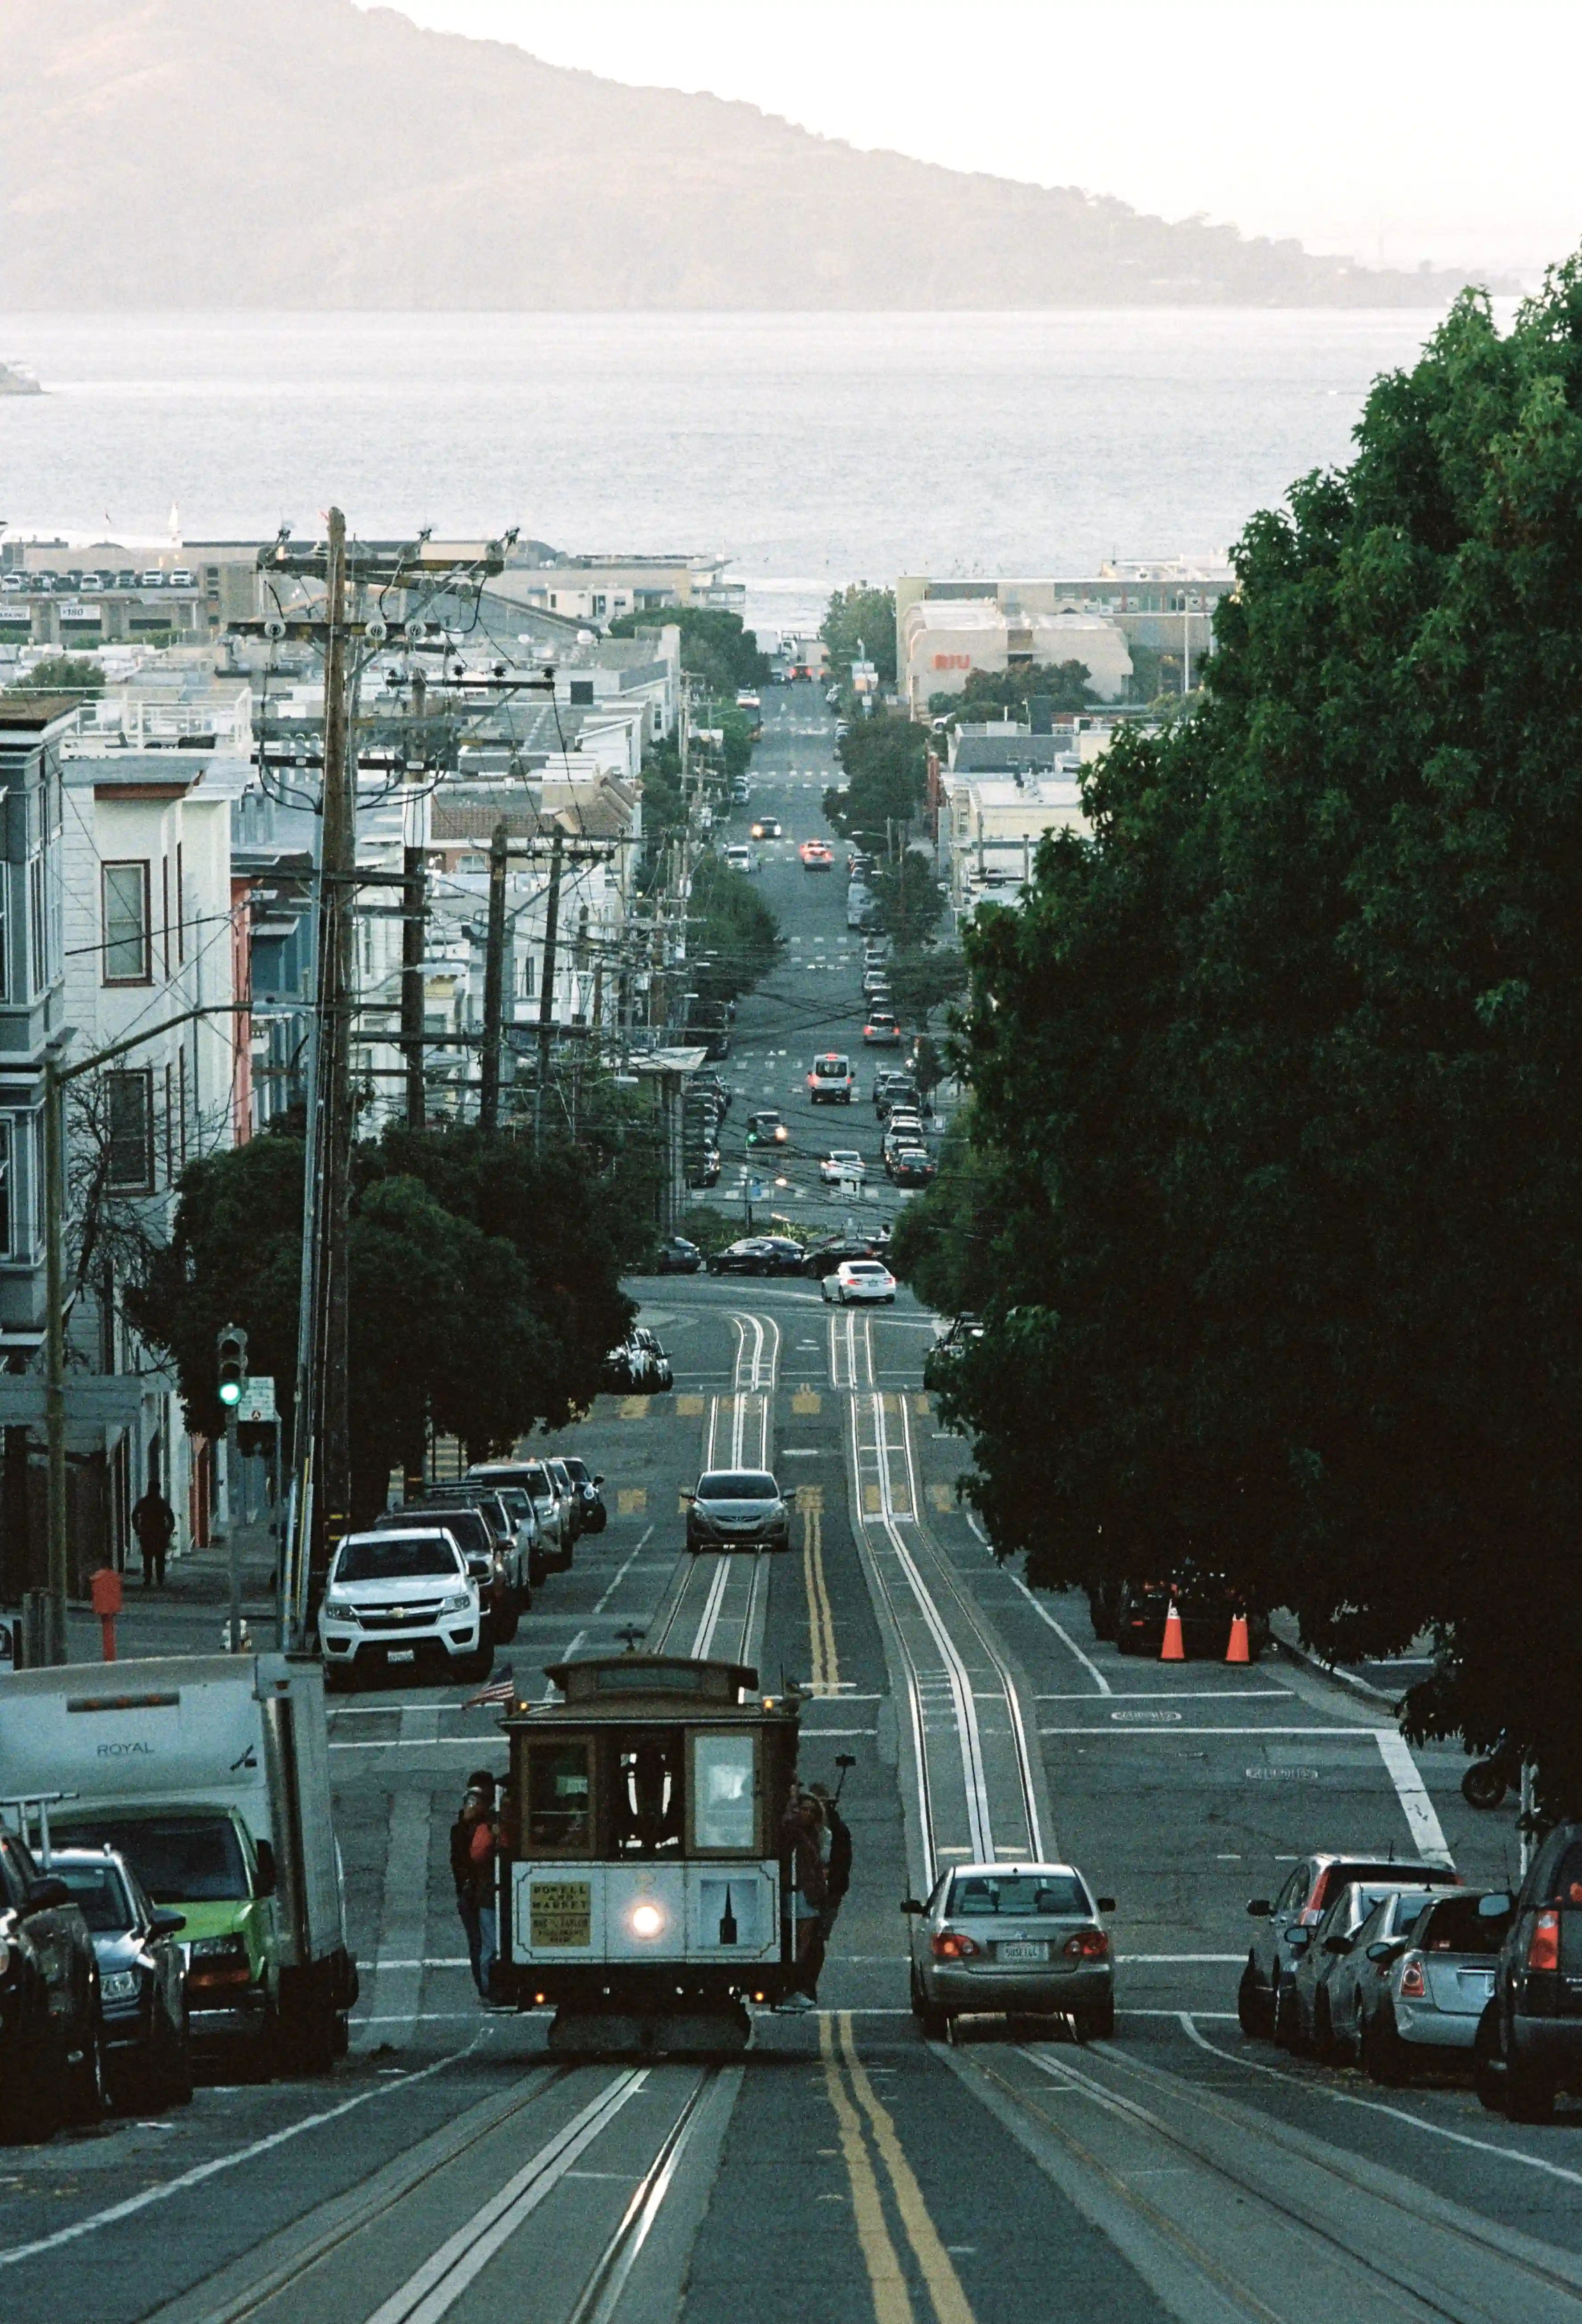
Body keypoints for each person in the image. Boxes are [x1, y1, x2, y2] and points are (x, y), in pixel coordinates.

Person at [776, 1788, 828, 2012]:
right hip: (797, 1894)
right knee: (795, 1942)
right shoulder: (793, 1833)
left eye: (811, 1811)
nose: (806, 1814)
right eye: (803, 1809)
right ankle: (792, 1985)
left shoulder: (816, 1836)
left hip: (809, 1896)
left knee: (805, 1943)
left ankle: (798, 1985)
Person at [450, 1772, 496, 1997]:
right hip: (474, 1893)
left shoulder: (483, 1826)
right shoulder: (466, 1829)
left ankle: (487, 1984)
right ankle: (485, 1986)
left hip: (480, 1891)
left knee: (483, 1942)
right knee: (480, 1942)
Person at [131, 1484, 176, 1589]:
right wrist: (169, 1530)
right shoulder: (161, 1503)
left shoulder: (144, 1502)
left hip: (147, 1533)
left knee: (148, 1557)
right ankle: (159, 1579)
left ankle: (148, 1579)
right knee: (159, 1558)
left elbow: (135, 1515)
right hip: (159, 1533)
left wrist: (138, 1530)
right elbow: (171, 1517)